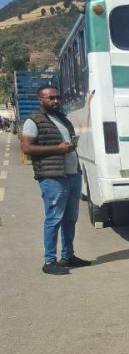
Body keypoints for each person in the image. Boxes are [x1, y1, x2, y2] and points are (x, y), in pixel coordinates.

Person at [20, 85, 92, 275]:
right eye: (50, 98)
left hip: (71, 175)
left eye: (57, 97)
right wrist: (58, 149)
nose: (55, 101)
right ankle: (49, 261)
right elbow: (27, 149)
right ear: (40, 100)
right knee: (54, 218)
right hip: (52, 177)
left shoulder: (63, 119)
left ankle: (68, 256)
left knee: (71, 218)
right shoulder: (33, 121)